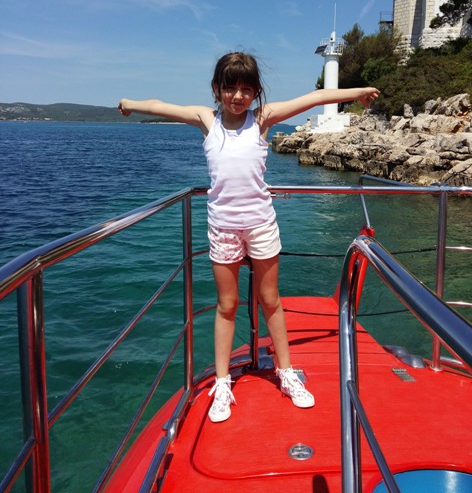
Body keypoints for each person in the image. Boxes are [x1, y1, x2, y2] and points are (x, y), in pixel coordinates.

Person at [118, 52, 379, 423]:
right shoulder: (206, 120)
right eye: (230, 88)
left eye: (246, 89)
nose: (237, 96)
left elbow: (315, 97)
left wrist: (358, 92)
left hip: (260, 224)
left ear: (256, 92)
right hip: (222, 227)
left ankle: (286, 372)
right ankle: (223, 382)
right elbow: (161, 106)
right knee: (227, 305)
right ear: (217, 89)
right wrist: (129, 103)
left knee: (270, 300)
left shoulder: (262, 119)